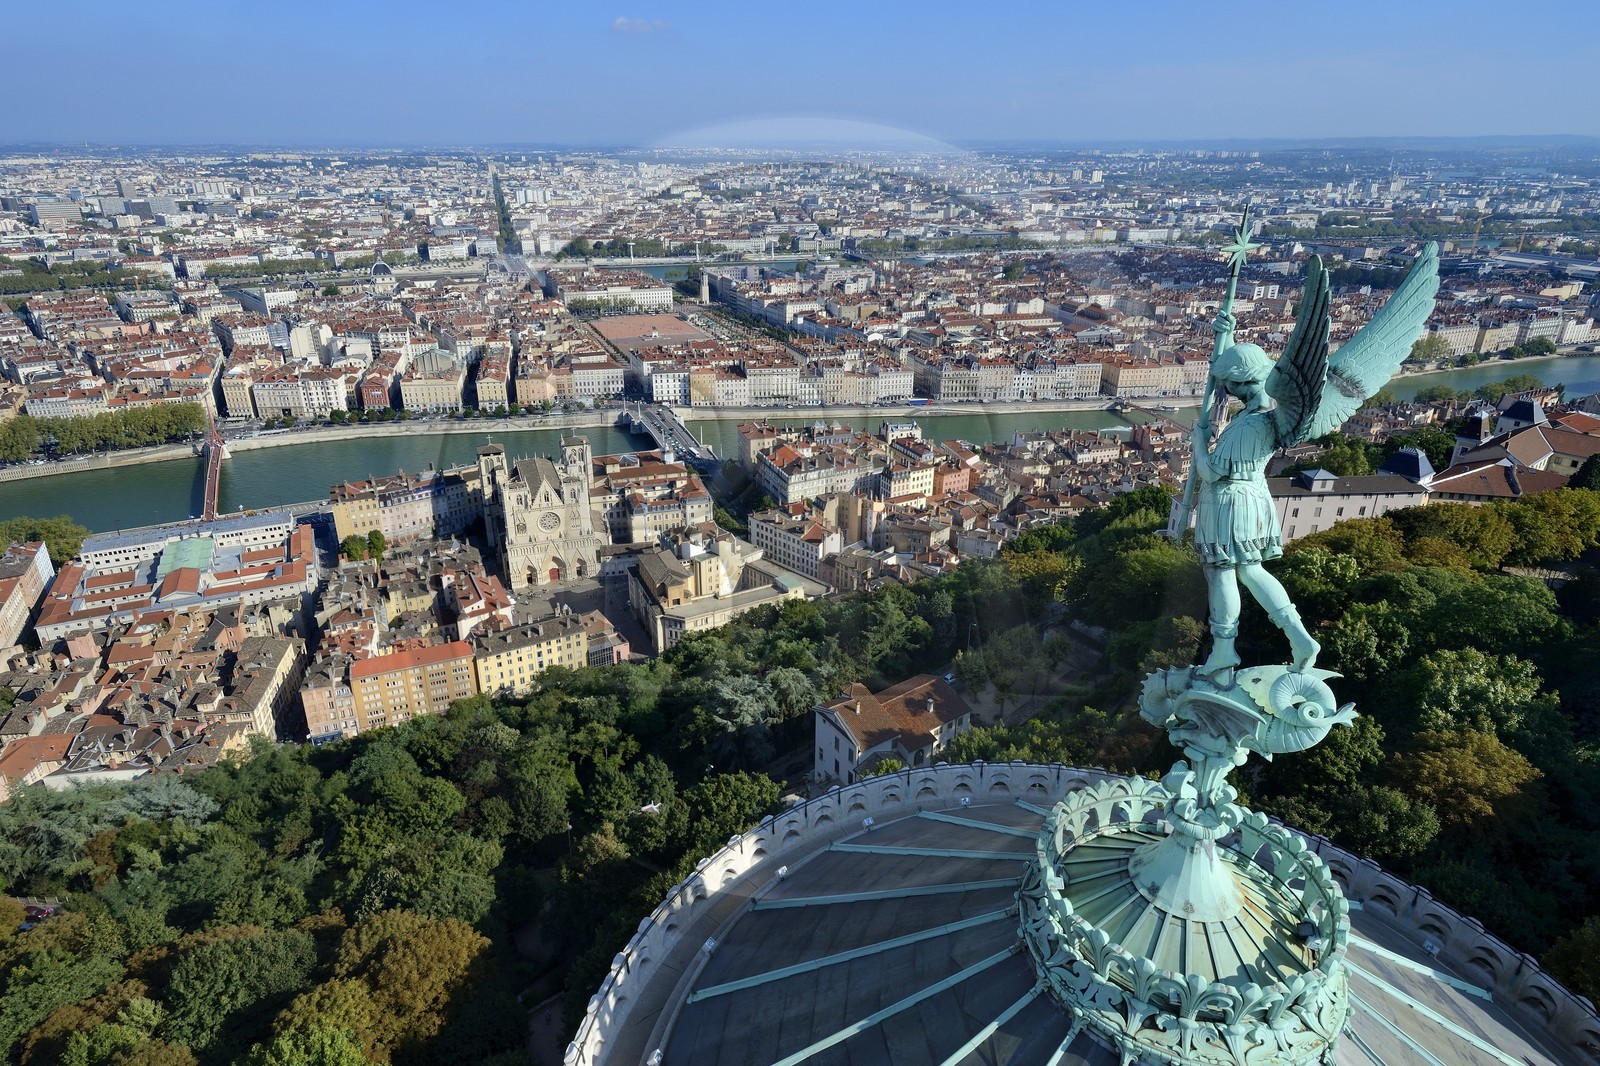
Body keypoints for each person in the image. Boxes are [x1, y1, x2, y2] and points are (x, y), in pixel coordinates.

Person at [1192, 317, 1320, 678]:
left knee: (1221, 574)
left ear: (1239, 382)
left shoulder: (1251, 424)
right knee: (1251, 569)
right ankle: (1299, 636)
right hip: (1254, 497)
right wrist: (1226, 339)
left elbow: (1211, 471)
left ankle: (1223, 650)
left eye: (1228, 383)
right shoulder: (1266, 414)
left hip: (1228, 501)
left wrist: (1199, 443)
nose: (1224, 390)